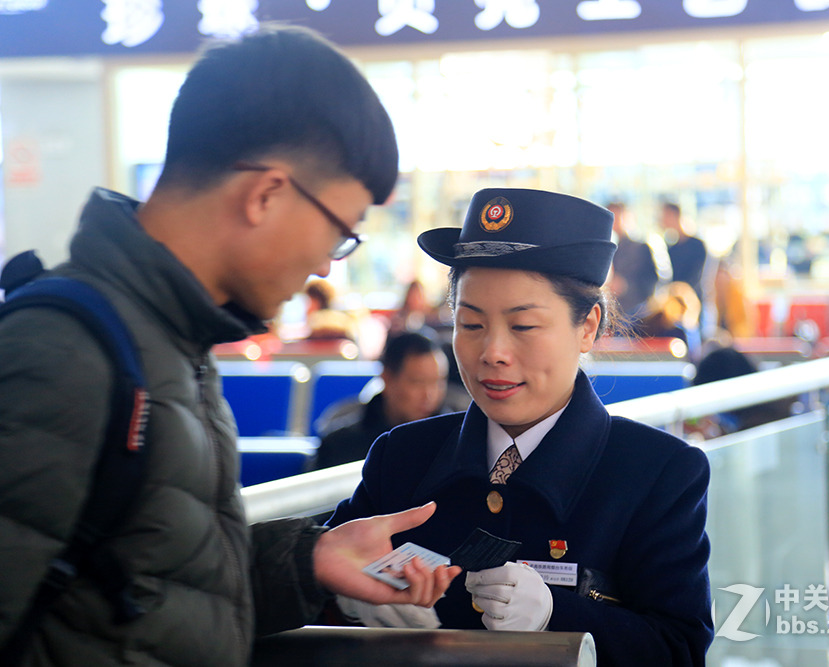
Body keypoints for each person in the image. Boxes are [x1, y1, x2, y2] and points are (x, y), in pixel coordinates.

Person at [0, 25, 459, 667]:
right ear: (266, 193)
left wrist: (307, 560)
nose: (327, 266)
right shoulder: (65, 354)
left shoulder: (170, 340)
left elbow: (143, 584)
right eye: (339, 233)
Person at [326, 188, 713, 665]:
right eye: (470, 325)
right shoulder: (402, 457)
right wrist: (346, 600)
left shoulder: (657, 472)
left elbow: (680, 648)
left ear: (588, 326)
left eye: (523, 326)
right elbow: (325, 582)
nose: (492, 353)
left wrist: (560, 615)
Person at [315, 331, 451, 469]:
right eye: (417, 382)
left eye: (438, 382)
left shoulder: (456, 440)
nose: (429, 395)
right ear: (387, 379)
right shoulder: (340, 446)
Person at [606, 201, 661, 321]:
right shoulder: (606, 248)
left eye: (617, 216)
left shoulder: (642, 247)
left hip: (637, 313)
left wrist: (626, 286)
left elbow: (654, 282)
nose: (614, 223)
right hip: (614, 313)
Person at [659, 200, 707, 305]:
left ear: (674, 215)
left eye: (665, 216)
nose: (662, 220)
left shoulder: (697, 245)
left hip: (692, 302)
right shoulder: (671, 248)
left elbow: (697, 276)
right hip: (675, 303)